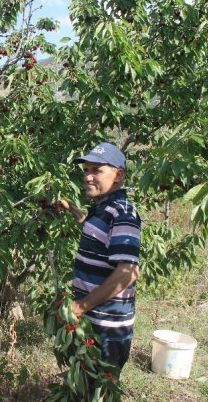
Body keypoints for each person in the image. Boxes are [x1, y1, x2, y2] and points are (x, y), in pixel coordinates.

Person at [58, 142, 141, 374]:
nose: (88, 176)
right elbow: (98, 233)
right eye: (86, 170)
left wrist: (81, 306)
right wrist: (71, 209)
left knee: (99, 390)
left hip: (106, 330)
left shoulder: (122, 212)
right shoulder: (104, 209)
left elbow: (128, 271)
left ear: (118, 175)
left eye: (97, 170)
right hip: (91, 324)